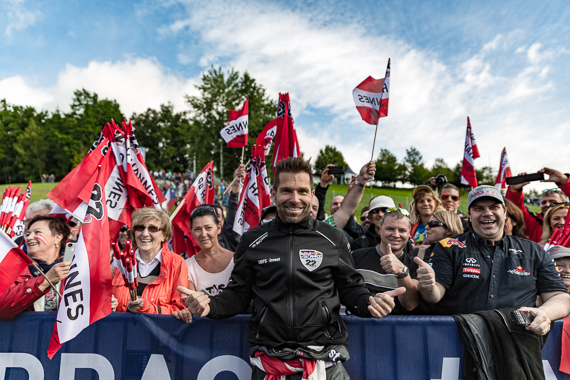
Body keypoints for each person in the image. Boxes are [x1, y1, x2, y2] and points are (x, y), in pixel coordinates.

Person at [179, 157, 405, 379]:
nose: (295, 199)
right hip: (269, 360)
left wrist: (369, 302)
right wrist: (211, 305)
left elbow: (351, 289)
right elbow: (238, 293)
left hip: (324, 361)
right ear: (274, 194)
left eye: (302, 191)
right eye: (287, 191)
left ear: (312, 194)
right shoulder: (252, 240)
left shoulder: (333, 238)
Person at [416, 185, 570, 335]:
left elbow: (561, 297)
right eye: (479, 209)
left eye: (494, 207)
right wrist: (428, 285)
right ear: (469, 214)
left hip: (517, 342)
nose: (487, 213)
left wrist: (544, 313)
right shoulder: (449, 246)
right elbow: (434, 295)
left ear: (504, 212)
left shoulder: (533, 251)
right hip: (459, 340)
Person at [112, 208, 190, 322]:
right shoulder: (121, 259)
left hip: (155, 336)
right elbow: (107, 299)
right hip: (122, 334)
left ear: (164, 235)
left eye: (152, 228)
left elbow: (180, 309)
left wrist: (148, 308)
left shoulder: (177, 263)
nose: (144, 234)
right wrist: (112, 305)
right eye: (140, 228)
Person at [0, 215, 71, 320]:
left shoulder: (74, 269)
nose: (28, 238)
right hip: (27, 335)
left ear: (58, 237)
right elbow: (3, 309)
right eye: (28, 234)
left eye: (37, 232)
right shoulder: (14, 270)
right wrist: (45, 280)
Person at [351, 208, 419, 314]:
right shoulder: (355, 257)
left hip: (397, 328)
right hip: (359, 325)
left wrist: (402, 273)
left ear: (408, 233)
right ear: (380, 230)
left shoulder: (415, 264)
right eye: (390, 229)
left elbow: (410, 305)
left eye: (402, 230)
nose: (396, 235)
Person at [506, 167, 570, 243]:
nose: (547, 205)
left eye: (553, 202)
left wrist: (564, 180)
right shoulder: (534, 224)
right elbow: (514, 209)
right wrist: (514, 191)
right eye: (543, 202)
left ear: (564, 203)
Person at [186, 205, 234, 296]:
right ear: (191, 232)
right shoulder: (187, 267)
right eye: (197, 229)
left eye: (208, 228)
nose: (203, 234)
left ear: (219, 228)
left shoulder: (237, 260)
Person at [215, 164, 246, 251]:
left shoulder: (228, 234)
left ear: (224, 220)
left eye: (218, 216)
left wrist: (236, 183)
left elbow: (233, 208)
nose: (216, 219)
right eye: (212, 216)